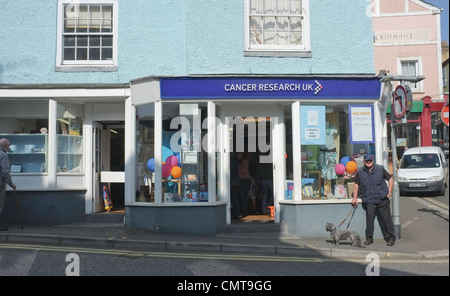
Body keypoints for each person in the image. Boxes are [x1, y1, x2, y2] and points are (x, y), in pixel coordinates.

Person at [351, 154, 395, 246]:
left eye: (370, 160)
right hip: (369, 199)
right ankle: (369, 238)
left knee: (387, 219)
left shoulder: (380, 169)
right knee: (369, 220)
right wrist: (354, 198)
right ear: (363, 161)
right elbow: (356, 184)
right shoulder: (360, 171)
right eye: (367, 160)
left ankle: (391, 237)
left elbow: (390, 179)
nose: (368, 162)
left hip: (382, 198)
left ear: (373, 160)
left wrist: (389, 191)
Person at [0, 138, 17, 231]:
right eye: (9, 146)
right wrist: (11, 184)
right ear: (5, 146)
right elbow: (5, 172)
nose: (9, 148)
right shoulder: (3, 155)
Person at [237, 152, 251, 219]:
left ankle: (244, 212)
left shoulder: (244, 161)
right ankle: (242, 212)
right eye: (238, 155)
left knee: (243, 197)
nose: (239, 156)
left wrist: (237, 171)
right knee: (241, 197)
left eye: (240, 155)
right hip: (241, 180)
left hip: (245, 180)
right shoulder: (238, 162)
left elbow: (244, 170)